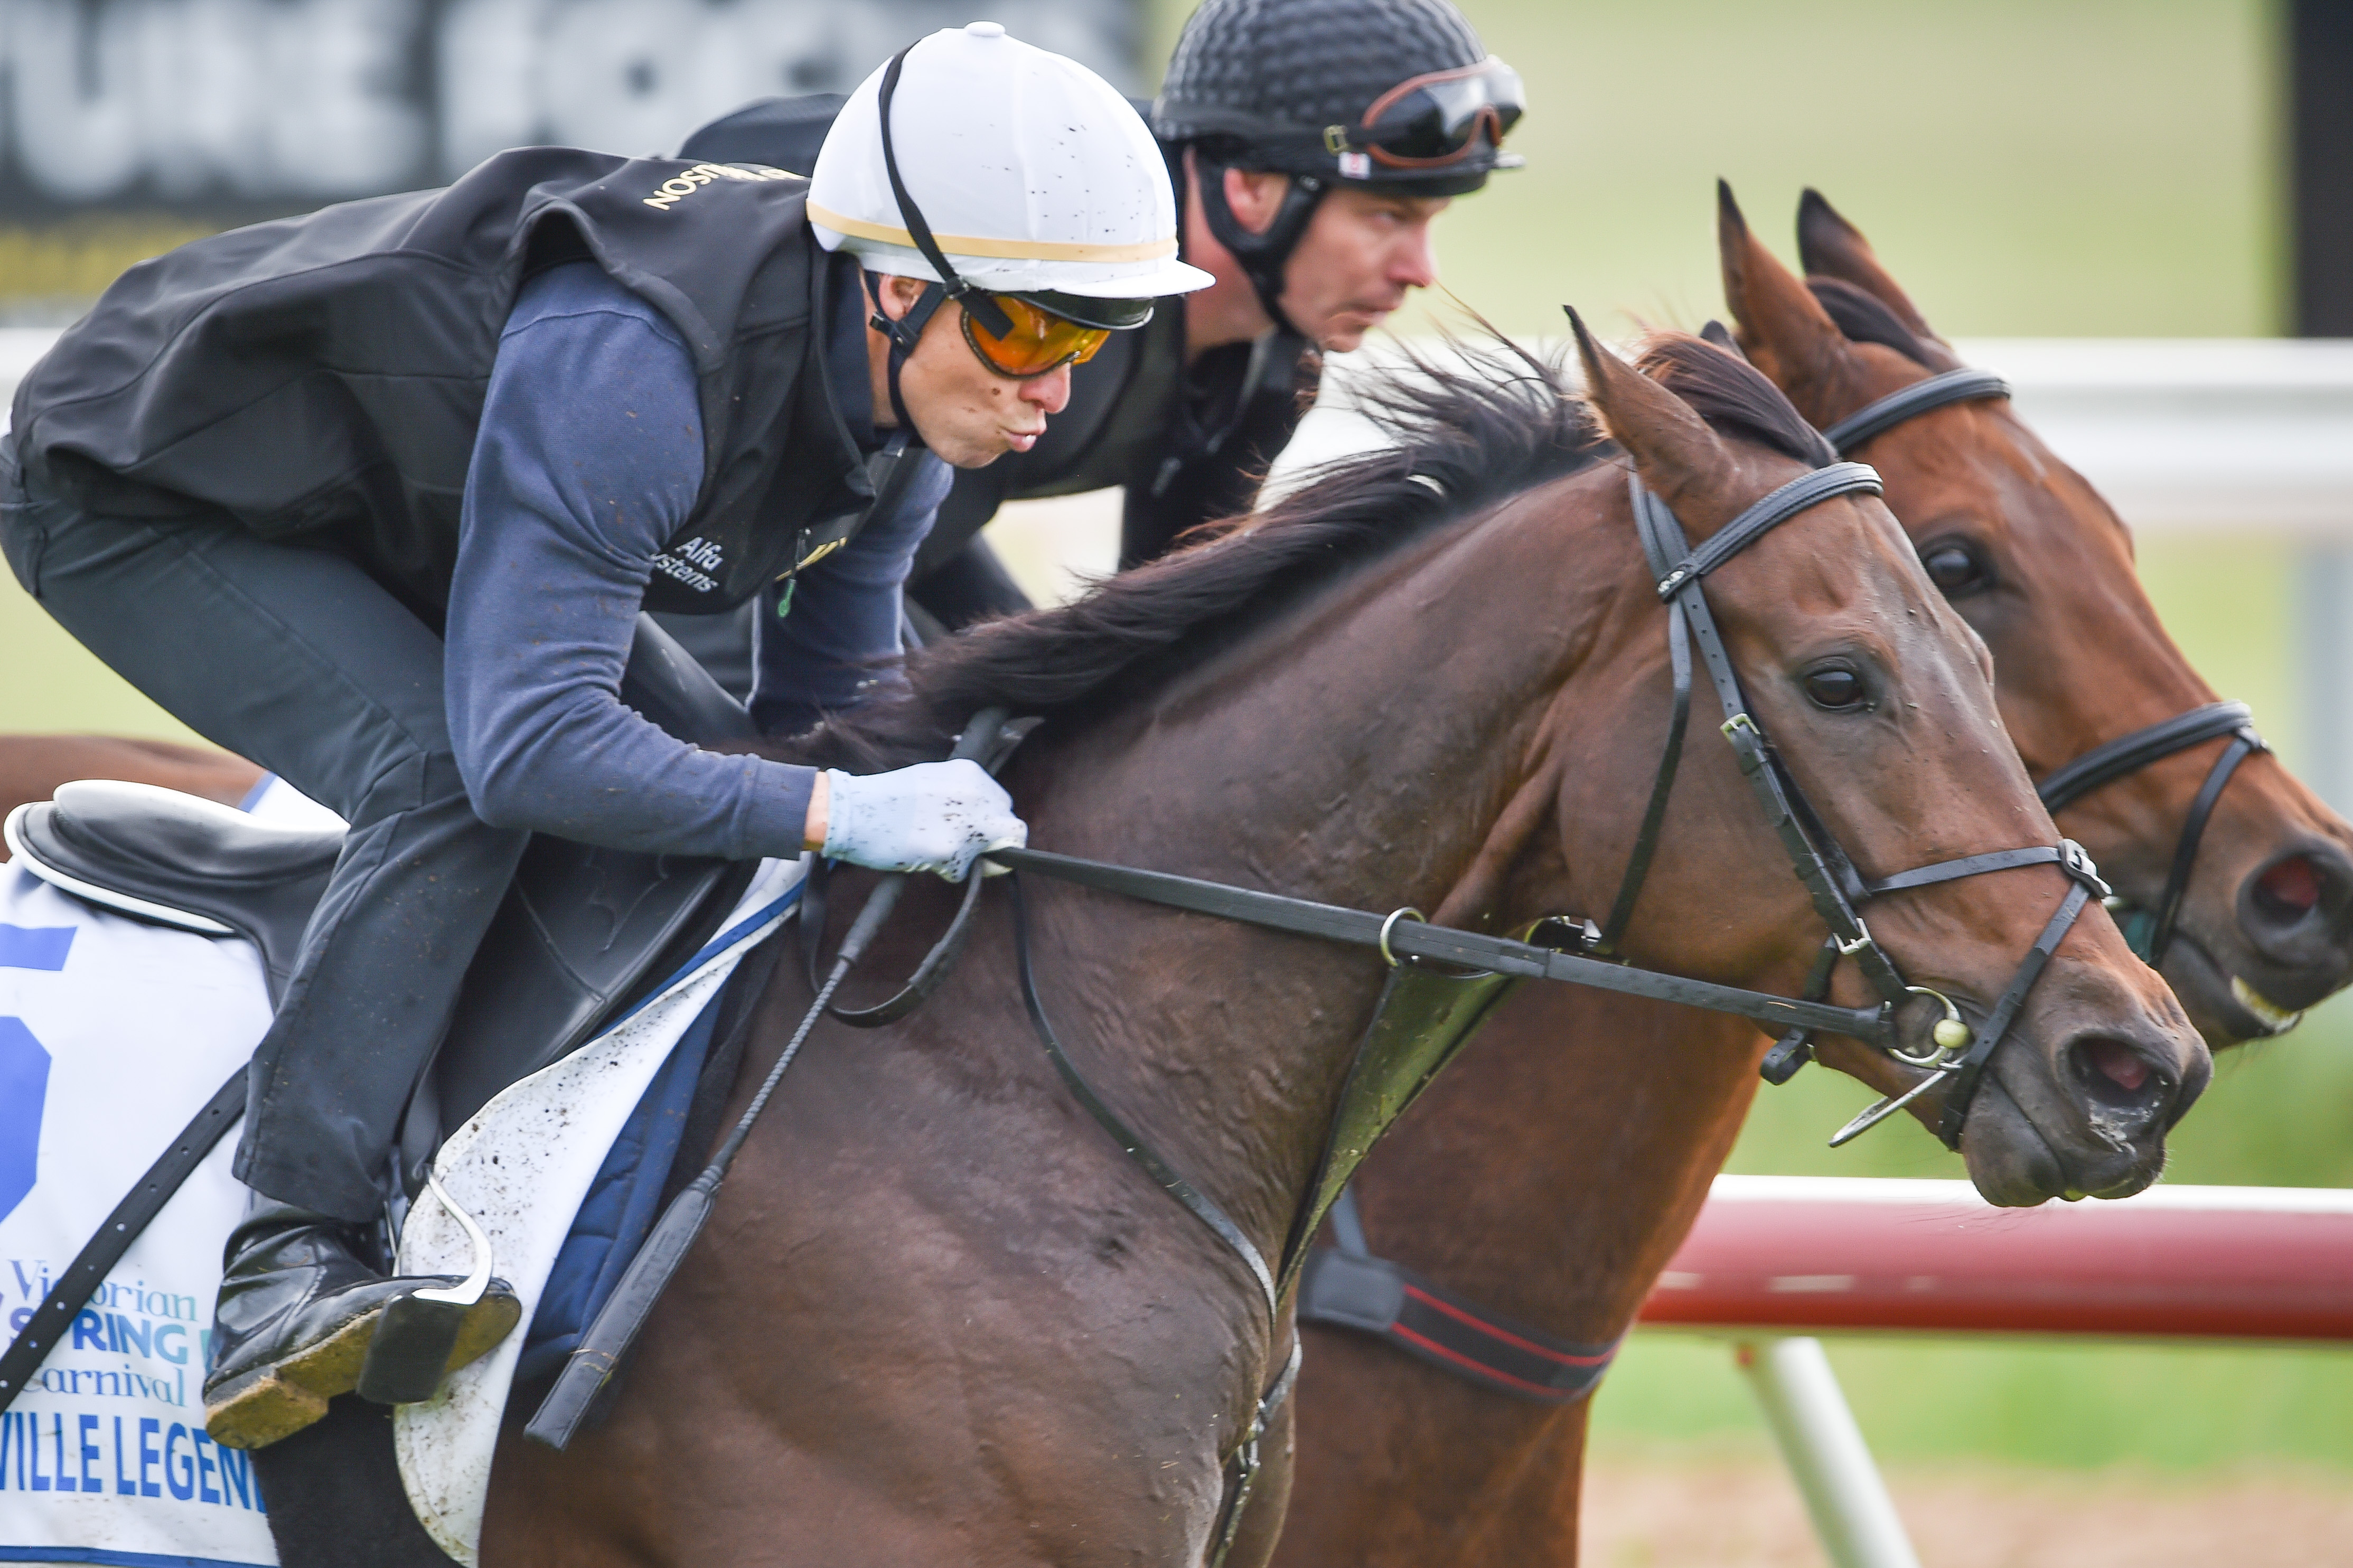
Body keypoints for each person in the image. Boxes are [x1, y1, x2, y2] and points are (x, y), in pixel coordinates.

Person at [0, 23, 1207, 1450]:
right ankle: (287, 1257)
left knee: (705, 766)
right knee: (449, 776)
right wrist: (834, 816)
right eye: (1026, 329)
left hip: (402, 504)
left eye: (1093, 337)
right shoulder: (634, 361)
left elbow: (818, 720)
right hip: (143, 488)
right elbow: (530, 754)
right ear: (893, 286)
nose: (1055, 392)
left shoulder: (904, 425)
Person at [663, 0, 1525, 692]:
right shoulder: (1066, 276)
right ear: (1254, 188)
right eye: (1388, 217)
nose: (1421, 269)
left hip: (859, 545)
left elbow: (1159, 638)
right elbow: (853, 598)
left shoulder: (1275, 351)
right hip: (679, 537)